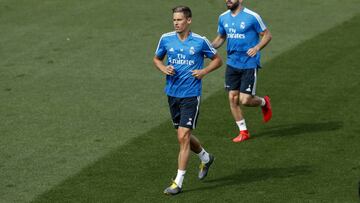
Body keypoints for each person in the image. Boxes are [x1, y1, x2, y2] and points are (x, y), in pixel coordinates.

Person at [153, 6, 222, 195]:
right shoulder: (166, 39)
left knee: (182, 136)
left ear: (188, 21)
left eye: (179, 20)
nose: (176, 23)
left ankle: (178, 182)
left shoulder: (200, 42)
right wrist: (163, 68)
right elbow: (157, 59)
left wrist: (203, 71)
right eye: (174, 20)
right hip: (172, 93)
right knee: (184, 135)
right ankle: (206, 158)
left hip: (191, 95)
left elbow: (217, 60)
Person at [212, 0, 272, 143]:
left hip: (249, 63)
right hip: (232, 62)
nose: (228, 0)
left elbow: (267, 35)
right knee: (233, 98)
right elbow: (221, 37)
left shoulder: (252, 16)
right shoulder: (223, 17)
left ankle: (264, 102)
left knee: (245, 100)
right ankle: (243, 131)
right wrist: (209, 48)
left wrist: (257, 48)